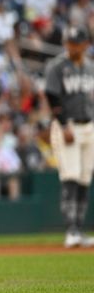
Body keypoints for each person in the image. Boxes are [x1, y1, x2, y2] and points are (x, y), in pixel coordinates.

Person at [43, 26, 94, 248]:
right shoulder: (57, 66)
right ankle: (71, 230)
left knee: (84, 178)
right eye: (69, 42)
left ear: (85, 44)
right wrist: (63, 125)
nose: (71, 47)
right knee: (70, 176)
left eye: (76, 43)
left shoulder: (90, 66)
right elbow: (52, 97)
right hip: (68, 126)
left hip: (88, 126)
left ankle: (79, 230)